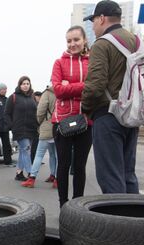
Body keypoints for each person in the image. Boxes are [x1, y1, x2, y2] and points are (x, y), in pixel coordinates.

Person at [82, 0, 140, 194]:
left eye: (93, 21)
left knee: (110, 177)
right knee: (127, 175)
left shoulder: (102, 44)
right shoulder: (136, 41)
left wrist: (85, 109)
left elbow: (95, 85)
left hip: (107, 115)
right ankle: (136, 221)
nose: (93, 25)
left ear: (101, 18)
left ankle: (118, 221)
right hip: (131, 115)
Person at [51, 25, 93, 207]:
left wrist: (71, 86)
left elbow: (95, 88)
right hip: (62, 121)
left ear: (84, 40)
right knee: (64, 164)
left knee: (80, 166)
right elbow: (58, 91)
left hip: (86, 120)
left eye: (76, 39)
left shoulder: (92, 62)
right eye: (69, 41)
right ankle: (63, 204)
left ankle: (77, 205)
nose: (72, 44)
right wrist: (83, 85)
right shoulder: (59, 63)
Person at [21, 86, 57, 189]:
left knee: (39, 154)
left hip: (46, 127)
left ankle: (32, 178)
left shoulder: (47, 93)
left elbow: (40, 112)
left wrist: (41, 122)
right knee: (55, 155)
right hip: (59, 127)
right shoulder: (63, 92)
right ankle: (55, 178)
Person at [6, 76, 37, 181]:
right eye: (24, 83)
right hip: (19, 129)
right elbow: (6, 114)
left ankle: (19, 173)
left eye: (28, 83)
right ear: (20, 85)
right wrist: (12, 126)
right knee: (26, 150)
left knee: (24, 151)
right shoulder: (13, 97)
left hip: (31, 129)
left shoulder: (32, 97)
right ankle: (30, 174)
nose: (26, 85)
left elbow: (36, 112)